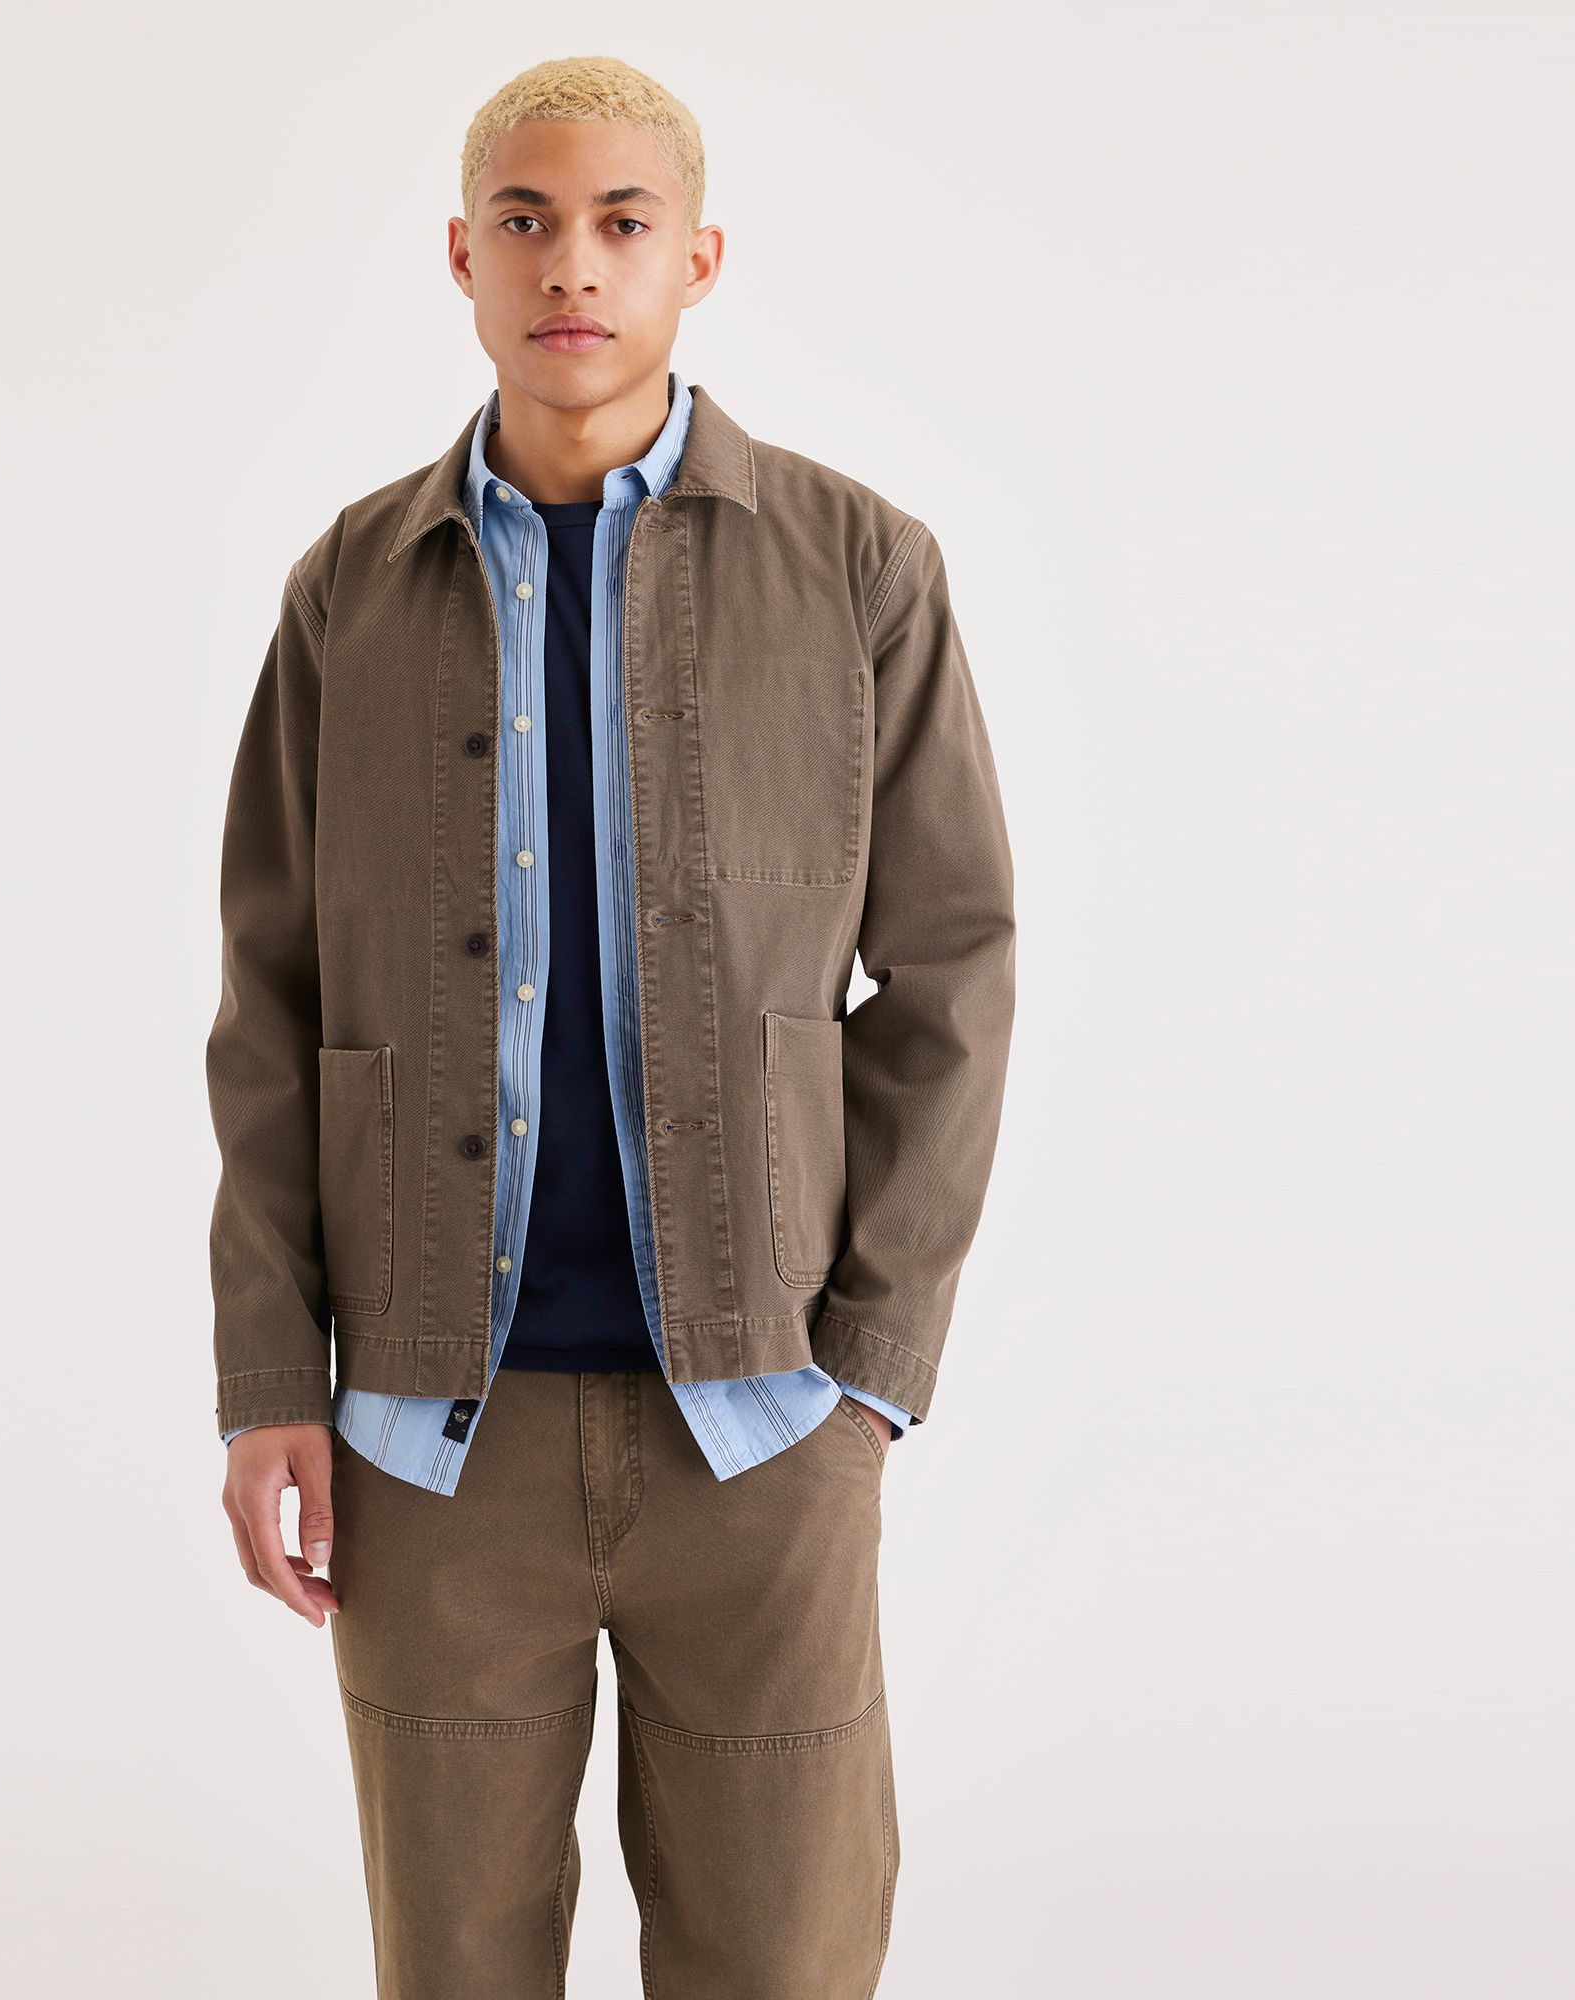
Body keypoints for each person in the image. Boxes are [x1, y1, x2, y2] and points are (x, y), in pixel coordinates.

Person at [202, 53, 1018, 1997]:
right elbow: (268, 998)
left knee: (784, 1960)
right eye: (526, 221)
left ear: (695, 259)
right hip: (430, 1437)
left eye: (620, 223)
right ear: (461, 258)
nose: (571, 264)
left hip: (761, 1423)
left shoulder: (859, 568)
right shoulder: (349, 587)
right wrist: (269, 1375)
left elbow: (951, 967)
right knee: (455, 1967)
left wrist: (869, 1365)